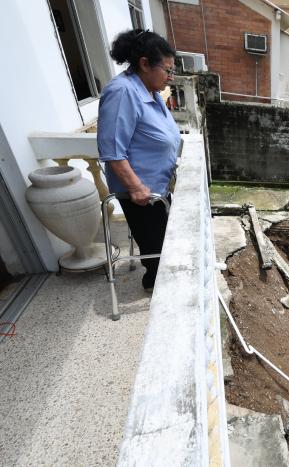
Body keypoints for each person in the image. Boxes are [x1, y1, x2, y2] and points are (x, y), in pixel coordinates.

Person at [97, 29, 180, 290]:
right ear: (145, 64)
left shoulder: (150, 92)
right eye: (167, 70)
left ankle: (159, 279)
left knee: (165, 241)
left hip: (158, 187)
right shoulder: (123, 92)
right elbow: (112, 150)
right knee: (158, 250)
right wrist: (135, 186)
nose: (170, 77)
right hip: (141, 193)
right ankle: (156, 286)